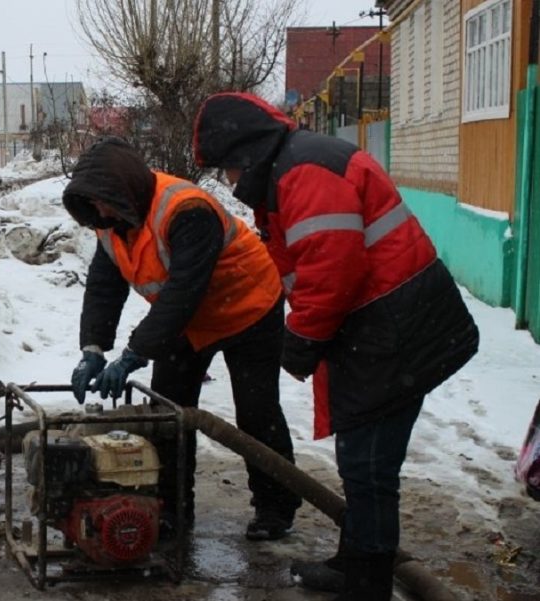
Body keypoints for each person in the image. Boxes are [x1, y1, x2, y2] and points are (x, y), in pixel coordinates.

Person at [192, 92, 479, 600]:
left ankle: (366, 579)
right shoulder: (292, 169)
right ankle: (358, 561)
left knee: (369, 464)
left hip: (395, 327)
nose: (230, 183)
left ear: (246, 155)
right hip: (379, 327)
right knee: (363, 459)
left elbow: (332, 269)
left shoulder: (303, 172)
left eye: (228, 170)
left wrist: (301, 341)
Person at [64, 136, 301, 541]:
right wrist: (93, 349)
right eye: (93, 205)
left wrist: (134, 354)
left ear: (123, 192)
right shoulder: (110, 221)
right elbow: (104, 288)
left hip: (248, 310)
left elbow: (183, 293)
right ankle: (173, 509)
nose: (98, 212)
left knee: (256, 412)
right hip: (186, 323)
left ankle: (275, 507)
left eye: (103, 202)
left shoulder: (186, 209)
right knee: (170, 414)